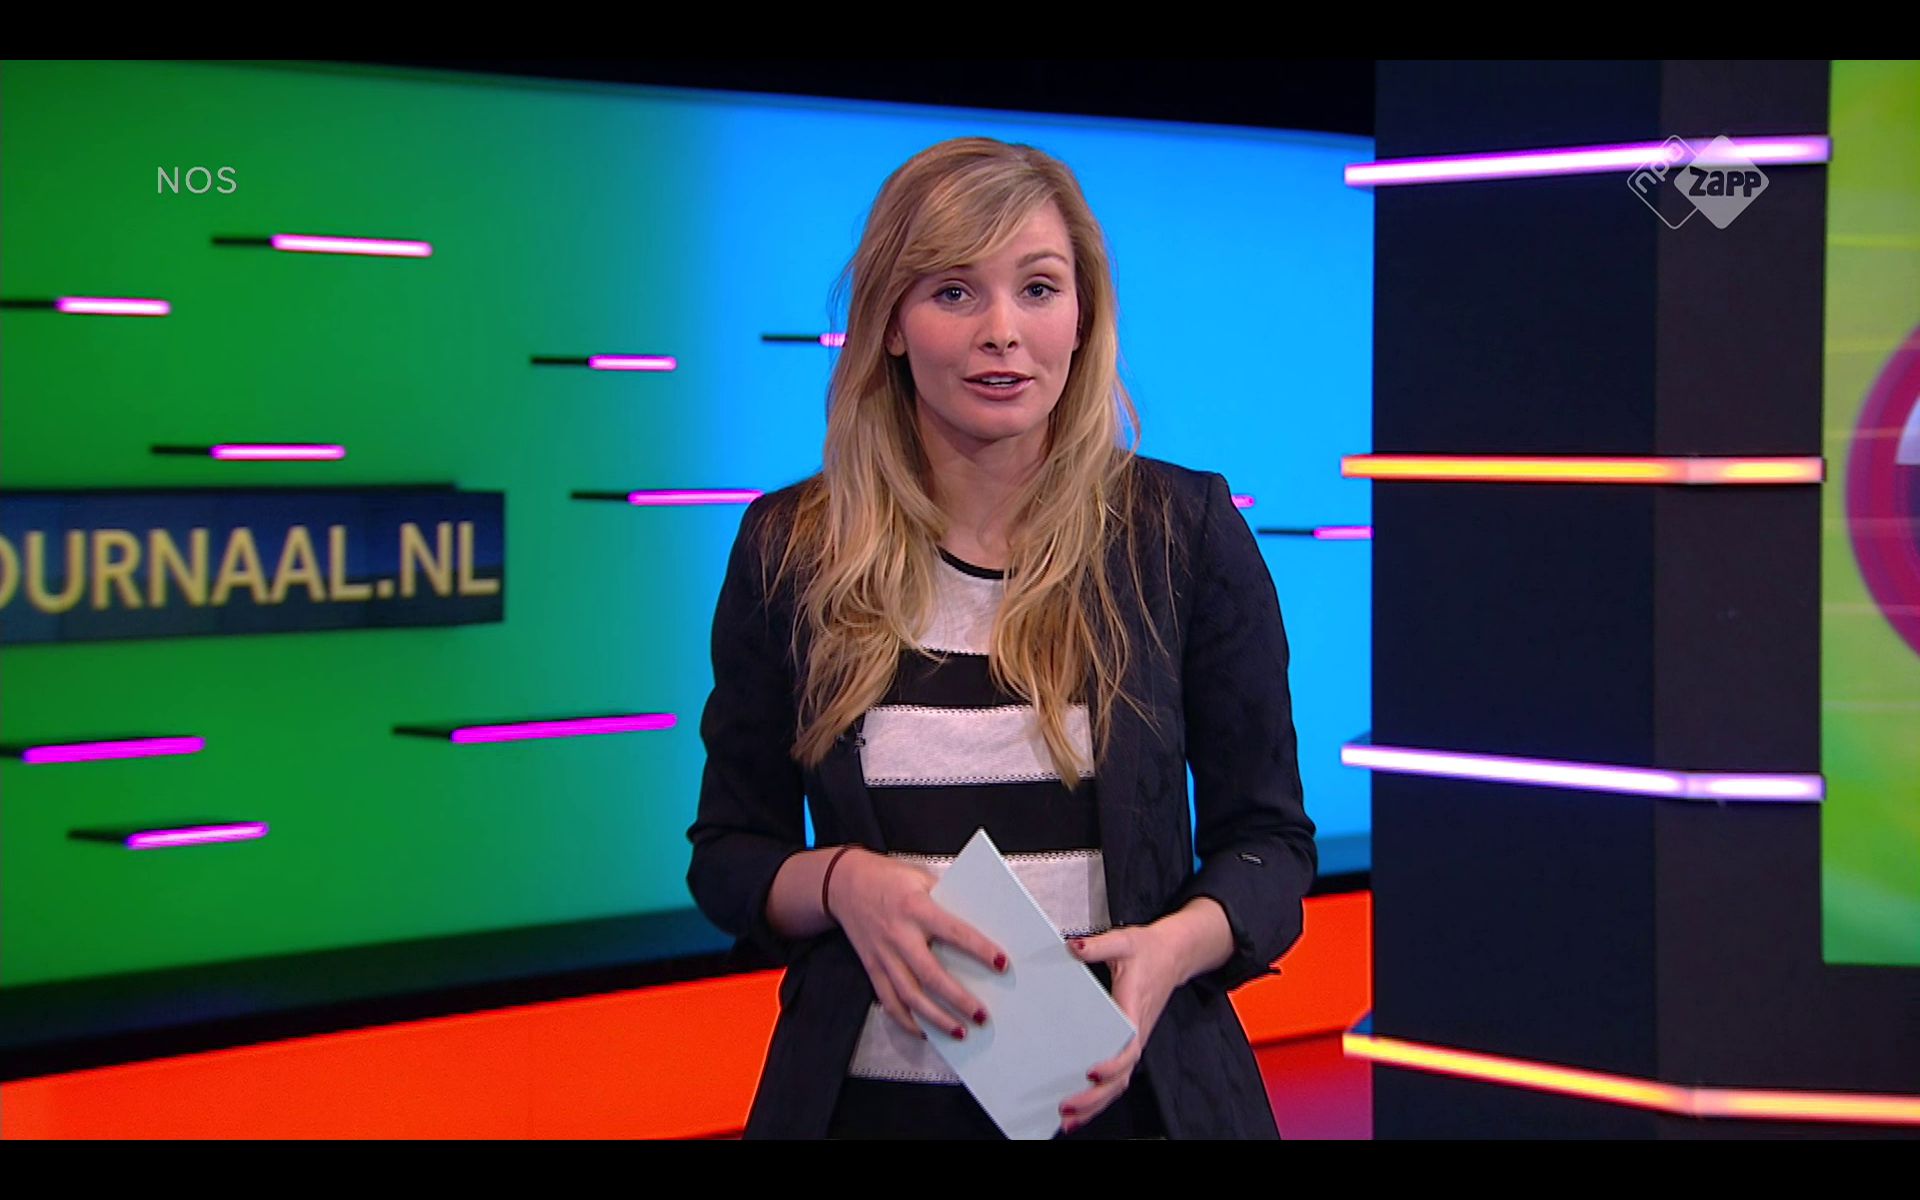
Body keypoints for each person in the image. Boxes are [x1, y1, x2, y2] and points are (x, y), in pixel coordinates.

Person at [685, 136, 1316, 1139]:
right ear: (892, 325)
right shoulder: (792, 549)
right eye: (954, 292)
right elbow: (728, 857)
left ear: (1083, 316)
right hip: (867, 1113)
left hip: (1134, 1107)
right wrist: (843, 884)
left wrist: (1170, 952)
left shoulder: (1181, 536)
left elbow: (1270, 848)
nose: (1002, 333)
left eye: (1038, 289)